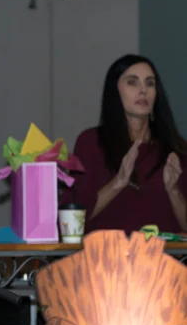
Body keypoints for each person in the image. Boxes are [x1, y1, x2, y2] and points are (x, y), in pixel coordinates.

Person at [65, 54, 187, 235]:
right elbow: (71, 222)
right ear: (115, 91)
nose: (143, 90)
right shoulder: (91, 143)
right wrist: (118, 182)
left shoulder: (175, 149)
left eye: (150, 83)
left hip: (165, 253)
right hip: (107, 252)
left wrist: (173, 190)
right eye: (132, 82)